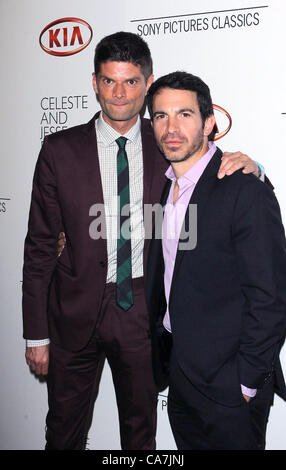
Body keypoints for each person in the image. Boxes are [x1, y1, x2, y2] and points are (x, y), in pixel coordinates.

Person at [23, 31, 263, 450]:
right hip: (72, 310)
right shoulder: (59, 151)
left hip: (140, 310)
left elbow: (215, 174)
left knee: (140, 433)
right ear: (94, 82)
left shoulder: (168, 142)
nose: (119, 93)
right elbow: (40, 245)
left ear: (147, 83)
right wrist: (36, 334)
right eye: (109, 81)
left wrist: (256, 165)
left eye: (131, 81)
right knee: (63, 431)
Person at [146, 71, 286, 450]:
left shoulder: (243, 189)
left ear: (209, 123)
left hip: (229, 384)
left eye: (185, 114)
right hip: (181, 376)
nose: (171, 127)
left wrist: (245, 382)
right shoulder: (164, 189)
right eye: (161, 116)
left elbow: (270, 297)